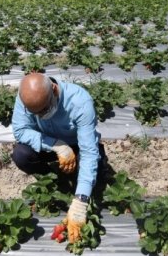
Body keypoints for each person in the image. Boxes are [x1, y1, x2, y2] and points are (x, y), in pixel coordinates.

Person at [11, 73, 106, 244]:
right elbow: (20, 130)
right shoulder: (25, 98)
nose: (40, 116)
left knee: (96, 181)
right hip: (50, 144)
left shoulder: (80, 102)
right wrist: (57, 145)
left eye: (44, 110)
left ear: (54, 90)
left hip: (78, 145)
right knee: (21, 155)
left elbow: (89, 152)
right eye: (35, 113)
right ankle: (52, 178)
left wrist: (81, 201)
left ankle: (75, 185)